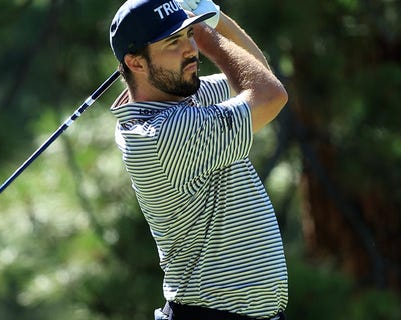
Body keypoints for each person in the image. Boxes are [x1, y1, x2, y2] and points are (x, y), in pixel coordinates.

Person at [108, 0, 289, 319]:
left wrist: (218, 18)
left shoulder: (179, 98)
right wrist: (208, 35)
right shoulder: (163, 135)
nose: (190, 49)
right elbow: (269, 95)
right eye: (173, 42)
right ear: (135, 63)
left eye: (188, 35)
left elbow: (257, 76)